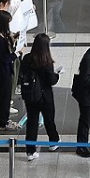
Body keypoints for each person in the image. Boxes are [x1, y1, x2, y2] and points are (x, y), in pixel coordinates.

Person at [21, 33, 60, 161]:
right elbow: (51, 80)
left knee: (32, 122)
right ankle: (53, 141)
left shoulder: (27, 58)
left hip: (30, 96)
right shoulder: (47, 62)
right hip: (45, 96)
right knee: (49, 119)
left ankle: (30, 151)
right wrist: (57, 75)